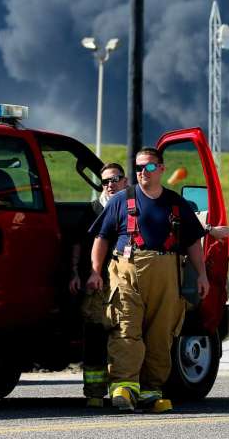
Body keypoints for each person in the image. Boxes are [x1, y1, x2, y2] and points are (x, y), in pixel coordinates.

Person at [86, 147, 229, 413]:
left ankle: (151, 391)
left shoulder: (176, 203)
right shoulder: (121, 201)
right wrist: (95, 272)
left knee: (161, 334)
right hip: (126, 272)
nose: (143, 172)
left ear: (162, 169)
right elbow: (102, 238)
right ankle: (124, 388)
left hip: (166, 275)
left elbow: (192, 242)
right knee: (125, 328)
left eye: (150, 167)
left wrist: (202, 275)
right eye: (139, 168)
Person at [68, 162, 128, 407]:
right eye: (105, 181)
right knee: (94, 336)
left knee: (123, 337)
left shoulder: (132, 208)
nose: (110, 185)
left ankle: (122, 389)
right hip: (96, 284)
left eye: (115, 179)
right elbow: (77, 244)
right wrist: (75, 273)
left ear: (125, 181)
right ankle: (94, 393)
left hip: (124, 282)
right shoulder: (92, 210)